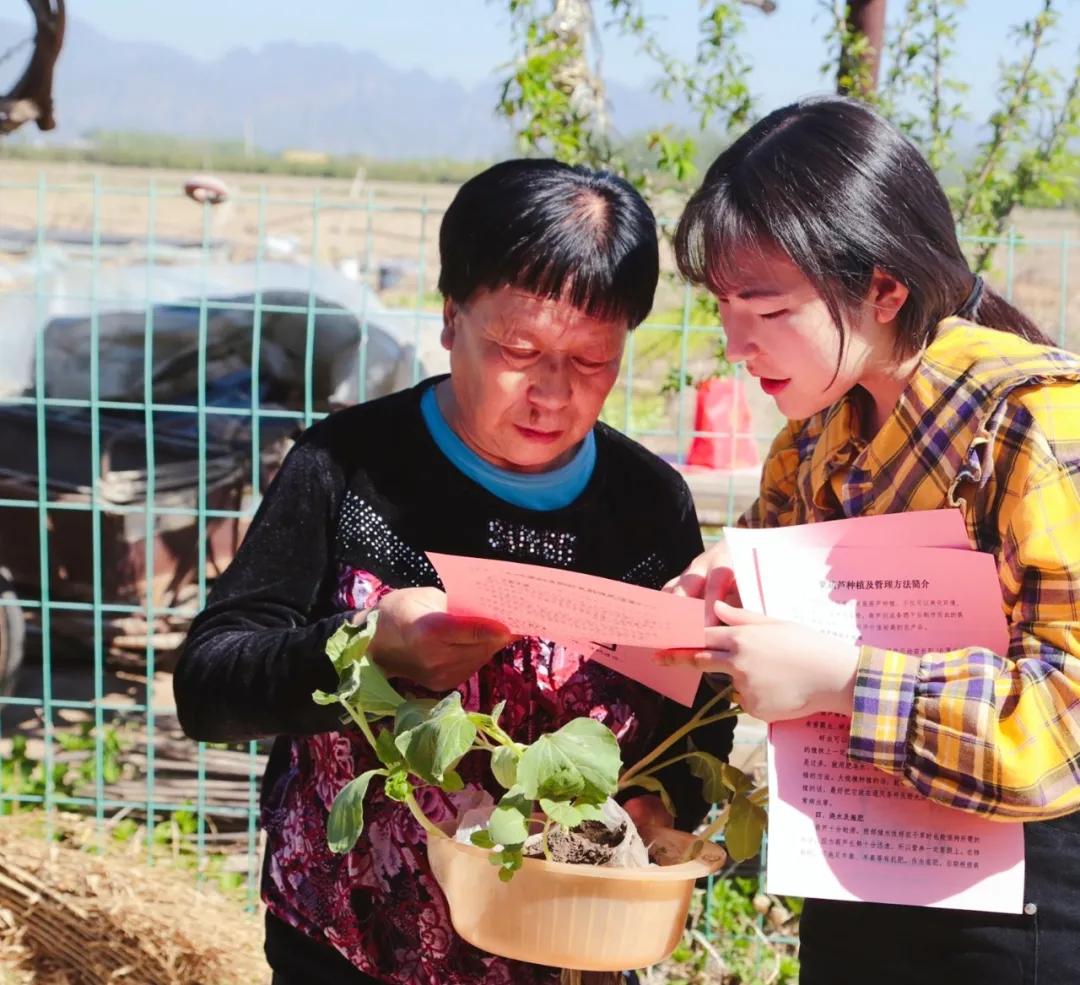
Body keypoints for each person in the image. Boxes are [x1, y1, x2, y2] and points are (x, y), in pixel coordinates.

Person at [174, 158, 733, 985]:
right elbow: (208, 684)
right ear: (448, 315)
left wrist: (662, 812)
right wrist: (365, 648)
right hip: (346, 941)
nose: (551, 393)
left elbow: (704, 712)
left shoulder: (647, 509)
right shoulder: (349, 466)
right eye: (518, 348)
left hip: (564, 946)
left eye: (593, 361)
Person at [659, 95, 1080, 985]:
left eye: (766, 309)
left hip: (1021, 914)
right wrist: (732, 585)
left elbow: (1066, 718)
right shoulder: (808, 443)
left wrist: (844, 679)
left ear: (884, 286)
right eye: (723, 304)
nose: (735, 343)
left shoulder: (1037, 428)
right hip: (858, 875)